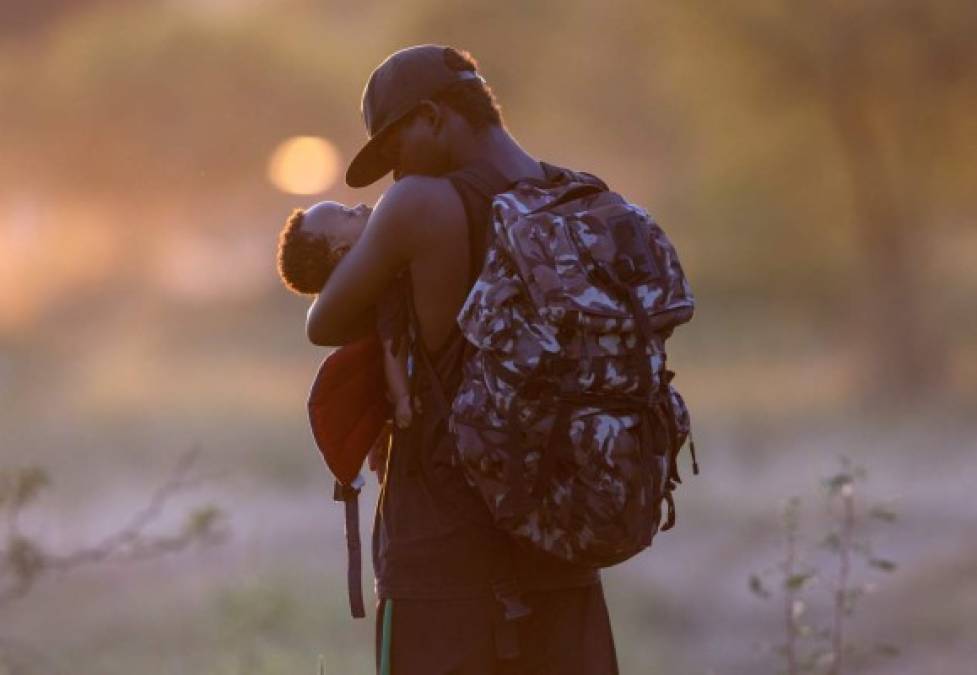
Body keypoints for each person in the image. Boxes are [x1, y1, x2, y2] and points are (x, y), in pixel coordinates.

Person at [306, 44, 619, 674]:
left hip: (443, 567)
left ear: (432, 116)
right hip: (561, 552)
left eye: (395, 147)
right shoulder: (582, 201)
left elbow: (324, 322)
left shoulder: (420, 203)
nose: (395, 173)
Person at [276, 200, 414, 454]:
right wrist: (403, 398)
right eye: (348, 214)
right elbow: (393, 345)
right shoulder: (382, 285)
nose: (360, 206)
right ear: (342, 251)